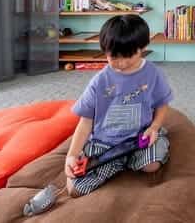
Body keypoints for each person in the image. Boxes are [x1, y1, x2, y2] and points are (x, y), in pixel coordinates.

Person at [64, 15, 173, 196]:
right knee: (75, 188)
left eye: (129, 56)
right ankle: (118, 163)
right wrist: (72, 155)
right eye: (113, 57)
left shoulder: (153, 73)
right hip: (106, 143)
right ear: (105, 50)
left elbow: (162, 104)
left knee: (151, 165)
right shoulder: (99, 82)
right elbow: (85, 123)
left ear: (143, 48)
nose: (121, 63)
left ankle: (131, 159)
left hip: (139, 138)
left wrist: (154, 127)